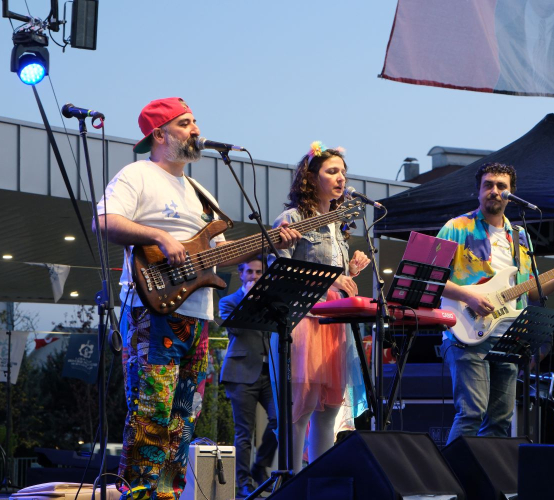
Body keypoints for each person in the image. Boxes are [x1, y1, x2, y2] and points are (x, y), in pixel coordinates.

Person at [94, 97, 300, 500]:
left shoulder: (199, 191)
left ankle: (168, 494)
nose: (196, 129)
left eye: (194, 122)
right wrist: (159, 235)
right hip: (151, 311)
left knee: (184, 417)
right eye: (185, 123)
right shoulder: (138, 174)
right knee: (152, 411)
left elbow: (219, 253)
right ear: (159, 134)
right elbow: (104, 220)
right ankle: (139, 494)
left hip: (196, 315)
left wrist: (272, 241)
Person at [437, 162, 554, 443]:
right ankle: (452, 471)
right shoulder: (456, 227)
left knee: (500, 419)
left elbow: (532, 291)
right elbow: (429, 278)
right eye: (488, 185)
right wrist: (469, 296)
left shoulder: (519, 236)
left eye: (501, 186)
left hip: (507, 336)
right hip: (465, 331)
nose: (494, 191)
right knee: (472, 412)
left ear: (511, 194)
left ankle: (485, 471)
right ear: (478, 191)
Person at [271, 141, 370, 473]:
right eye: (332, 171)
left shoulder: (338, 224)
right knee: (299, 411)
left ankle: (318, 484)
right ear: (311, 178)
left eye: (343, 172)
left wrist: (349, 272)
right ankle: (292, 483)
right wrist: (330, 281)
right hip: (304, 321)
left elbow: (333, 276)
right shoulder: (292, 219)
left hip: (334, 323)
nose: (341, 178)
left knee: (328, 413)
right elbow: (279, 273)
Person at [219, 257, 277, 498]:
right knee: (244, 432)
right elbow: (237, 329)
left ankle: (260, 465)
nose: (254, 276)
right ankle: (243, 483)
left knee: (280, 421)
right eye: (250, 272)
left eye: (259, 272)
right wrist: (251, 300)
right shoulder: (229, 301)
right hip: (240, 373)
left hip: (268, 372)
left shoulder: (270, 301)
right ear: (241, 274)